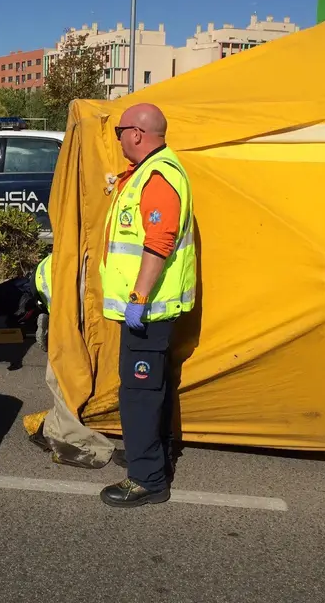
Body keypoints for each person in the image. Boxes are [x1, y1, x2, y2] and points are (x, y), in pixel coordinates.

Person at [98, 102, 196, 508]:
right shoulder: (146, 172)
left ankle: (147, 479)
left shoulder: (157, 177)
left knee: (139, 394)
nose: (118, 138)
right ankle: (150, 452)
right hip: (149, 310)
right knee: (152, 388)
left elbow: (159, 241)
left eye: (120, 131)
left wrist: (137, 299)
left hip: (149, 311)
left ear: (136, 134)